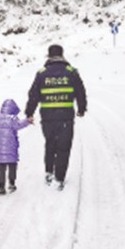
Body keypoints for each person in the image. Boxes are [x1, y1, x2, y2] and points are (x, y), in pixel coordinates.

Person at [25, 44, 87, 191]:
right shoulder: (71, 72)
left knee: (50, 144)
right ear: (62, 55)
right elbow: (80, 92)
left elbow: (33, 95)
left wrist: (29, 112)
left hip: (47, 117)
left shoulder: (42, 73)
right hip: (65, 117)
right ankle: (59, 177)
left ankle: (49, 172)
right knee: (64, 147)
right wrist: (81, 109)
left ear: (49, 55)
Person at [0, 99, 30, 195]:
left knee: (1, 167)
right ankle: (11, 183)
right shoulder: (12, 119)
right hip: (11, 148)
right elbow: (19, 125)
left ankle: (1, 186)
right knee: (12, 165)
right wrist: (27, 121)